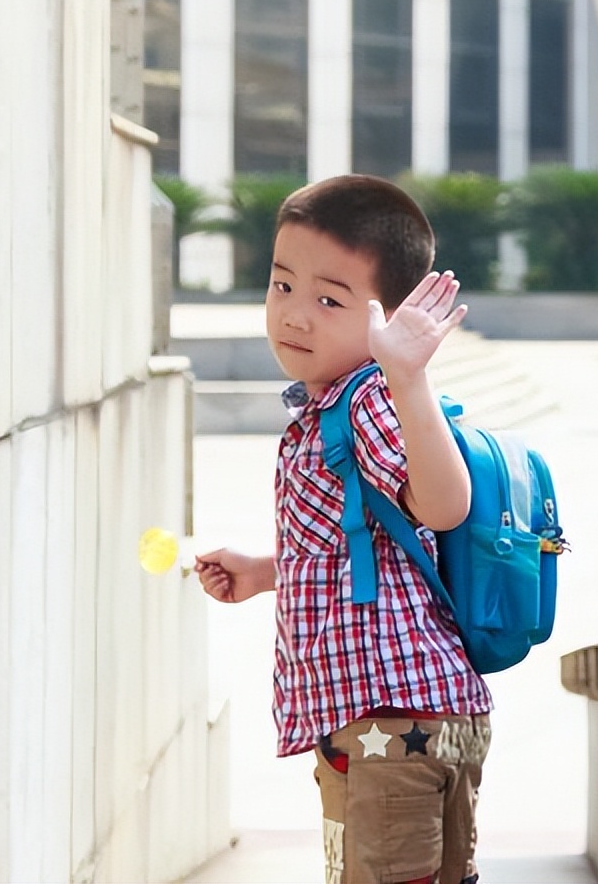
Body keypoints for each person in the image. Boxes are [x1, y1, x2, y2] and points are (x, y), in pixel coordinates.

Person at [195, 175, 492, 884]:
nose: (294, 316)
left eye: (329, 300)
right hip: (391, 720)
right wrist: (265, 571)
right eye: (282, 286)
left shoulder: (370, 399)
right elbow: (365, 539)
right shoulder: (328, 411)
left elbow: (443, 505)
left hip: (389, 721)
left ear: (390, 319)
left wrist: (408, 377)